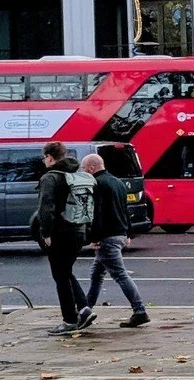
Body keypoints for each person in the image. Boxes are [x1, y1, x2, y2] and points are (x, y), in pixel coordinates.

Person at [31, 141, 97, 334]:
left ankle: (69, 320)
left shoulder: (50, 178)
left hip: (60, 233)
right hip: (78, 230)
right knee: (66, 271)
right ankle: (84, 309)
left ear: (50, 158)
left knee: (60, 276)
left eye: (45, 158)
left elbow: (46, 208)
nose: (44, 161)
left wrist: (46, 233)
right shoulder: (76, 175)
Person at [78, 153, 150, 329]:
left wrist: (93, 237)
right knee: (96, 275)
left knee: (119, 274)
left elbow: (98, 213)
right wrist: (128, 234)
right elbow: (126, 210)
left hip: (107, 237)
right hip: (118, 233)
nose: (83, 172)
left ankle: (140, 311)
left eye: (84, 169)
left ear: (91, 168)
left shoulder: (97, 184)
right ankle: (85, 310)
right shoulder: (117, 182)